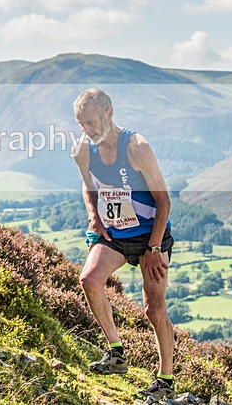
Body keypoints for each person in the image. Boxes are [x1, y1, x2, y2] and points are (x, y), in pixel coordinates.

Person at [72, 89, 175, 400]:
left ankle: (166, 379)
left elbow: (164, 200)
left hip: (149, 237)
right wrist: (94, 218)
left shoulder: (137, 147)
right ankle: (116, 352)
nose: (86, 130)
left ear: (109, 114)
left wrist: (154, 248)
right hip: (114, 234)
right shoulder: (83, 150)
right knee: (89, 279)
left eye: (90, 122)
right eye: (80, 124)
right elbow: (88, 186)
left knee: (154, 310)